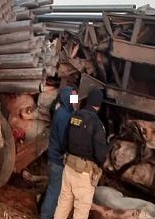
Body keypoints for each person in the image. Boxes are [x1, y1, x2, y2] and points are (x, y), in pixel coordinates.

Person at [54, 88, 108, 219]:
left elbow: (65, 141)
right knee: (81, 212)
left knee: (63, 204)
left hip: (69, 168)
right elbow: (100, 154)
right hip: (83, 174)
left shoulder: (74, 116)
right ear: (99, 105)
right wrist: (99, 164)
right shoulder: (97, 124)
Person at [40, 86, 78, 219]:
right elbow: (63, 139)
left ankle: (44, 209)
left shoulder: (61, 111)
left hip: (54, 157)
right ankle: (45, 215)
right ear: (67, 98)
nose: (76, 102)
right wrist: (68, 151)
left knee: (53, 188)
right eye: (73, 98)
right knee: (54, 190)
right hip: (58, 159)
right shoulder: (64, 116)